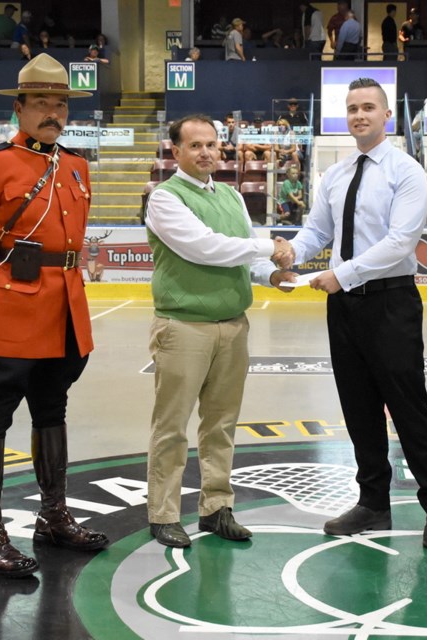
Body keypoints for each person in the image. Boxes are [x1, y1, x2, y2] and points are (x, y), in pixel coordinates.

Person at [0, 53, 109, 578]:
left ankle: (53, 516)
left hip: (63, 316)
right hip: (8, 317)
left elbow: (71, 248)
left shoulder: (76, 166)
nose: (53, 113)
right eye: (41, 103)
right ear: (19, 108)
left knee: (52, 411)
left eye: (60, 103)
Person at [279, 78, 427, 550]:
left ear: (387, 116)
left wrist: (344, 274)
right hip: (345, 307)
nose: (360, 115)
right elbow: (316, 232)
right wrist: (289, 253)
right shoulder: (334, 175)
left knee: (408, 406)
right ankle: (373, 502)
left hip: (391, 301)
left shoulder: (407, 171)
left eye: (369, 108)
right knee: (358, 407)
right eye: (353, 108)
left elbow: (401, 241)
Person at [142, 114, 294, 548]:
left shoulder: (230, 195)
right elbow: (205, 247)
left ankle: (216, 506)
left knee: (221, 423)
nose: (206, 152)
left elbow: (243, 256)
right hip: (184, 327)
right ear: (176, 152)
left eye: (211, 144)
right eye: (195, 146)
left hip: (233, 325)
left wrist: (269, 276)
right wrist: (271, 246)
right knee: (172, 426)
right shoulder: (165, 198)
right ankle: (164, 513)